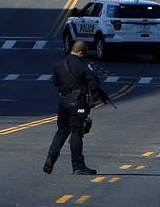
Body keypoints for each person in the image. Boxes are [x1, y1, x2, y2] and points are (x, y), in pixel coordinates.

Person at [44, 40, 110, 176]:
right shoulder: (84, 65)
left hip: (63, 101)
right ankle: (78, 166)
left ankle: (50, 159)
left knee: (61, 131)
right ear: (81, 52)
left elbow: (56, 82)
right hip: (77, 102)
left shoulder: (59, 64)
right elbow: (93, 84)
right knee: (77, 133)